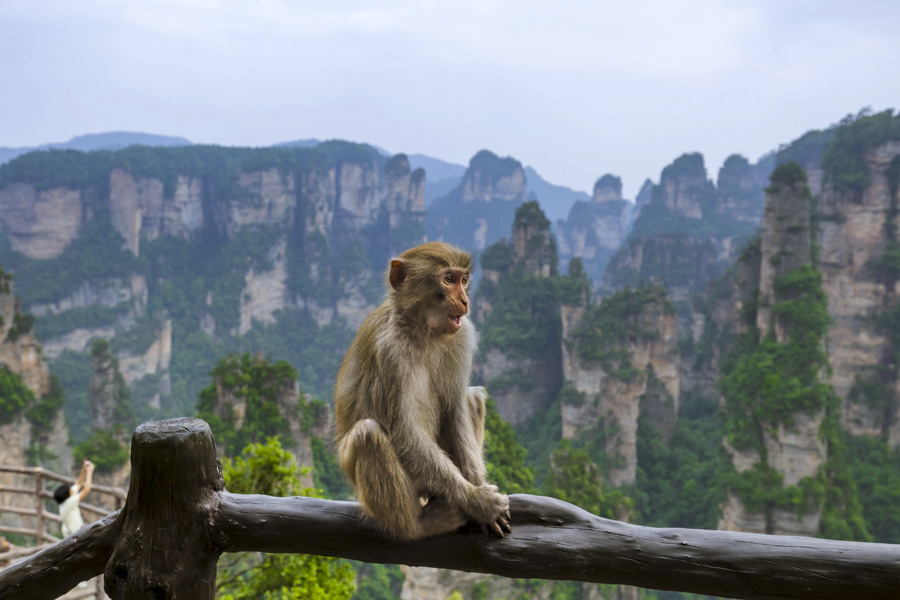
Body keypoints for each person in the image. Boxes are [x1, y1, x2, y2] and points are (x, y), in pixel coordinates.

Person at [53, 459, 94, 537]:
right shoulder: (68, 503)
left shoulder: (65, 500)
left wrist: (84, 469)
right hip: (73, 534)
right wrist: (89, 472)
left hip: (72, 531)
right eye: (70, 489)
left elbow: (78, 484)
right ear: (67, 495)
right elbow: (86, 490)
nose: (72, 489)